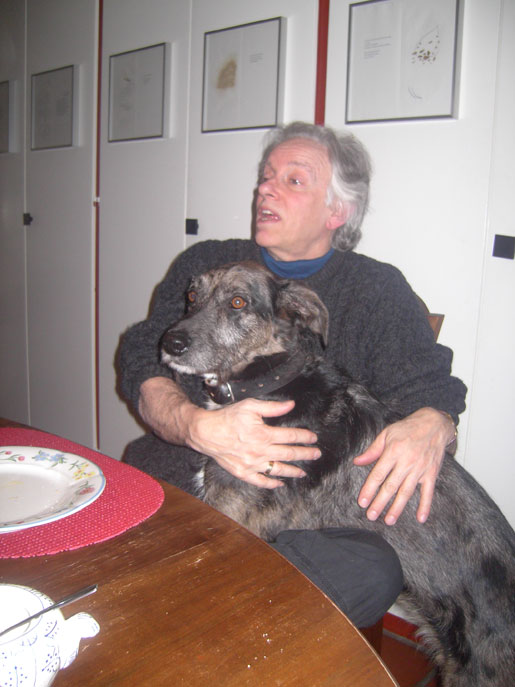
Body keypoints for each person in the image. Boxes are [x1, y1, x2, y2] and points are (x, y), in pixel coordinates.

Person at [118, 122, 466, 628]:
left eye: (293, 179)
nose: (265, 189)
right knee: (125, 503)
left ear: (337, 211)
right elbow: (143, 352)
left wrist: (434, 421)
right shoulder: (206, 261)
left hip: (310, 514)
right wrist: (194, 424)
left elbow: (428, 390)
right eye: (266, 176)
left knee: (369, 570)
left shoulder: (376, 290)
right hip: (183, 469)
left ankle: (221, 627)